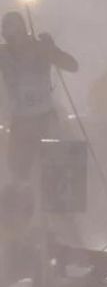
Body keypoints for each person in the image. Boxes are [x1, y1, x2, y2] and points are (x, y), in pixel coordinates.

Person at [0, 11, 78, 183]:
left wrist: (52, 49)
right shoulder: (3, 54)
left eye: (14, 34)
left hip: (45, 117)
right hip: (20, 120)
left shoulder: (40, 48)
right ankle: (23, 199)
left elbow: (72, 66)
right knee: (18, 171)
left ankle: (56, 204)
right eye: (7, 35)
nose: (12, 40)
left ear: (23, 31)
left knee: (56, 168)